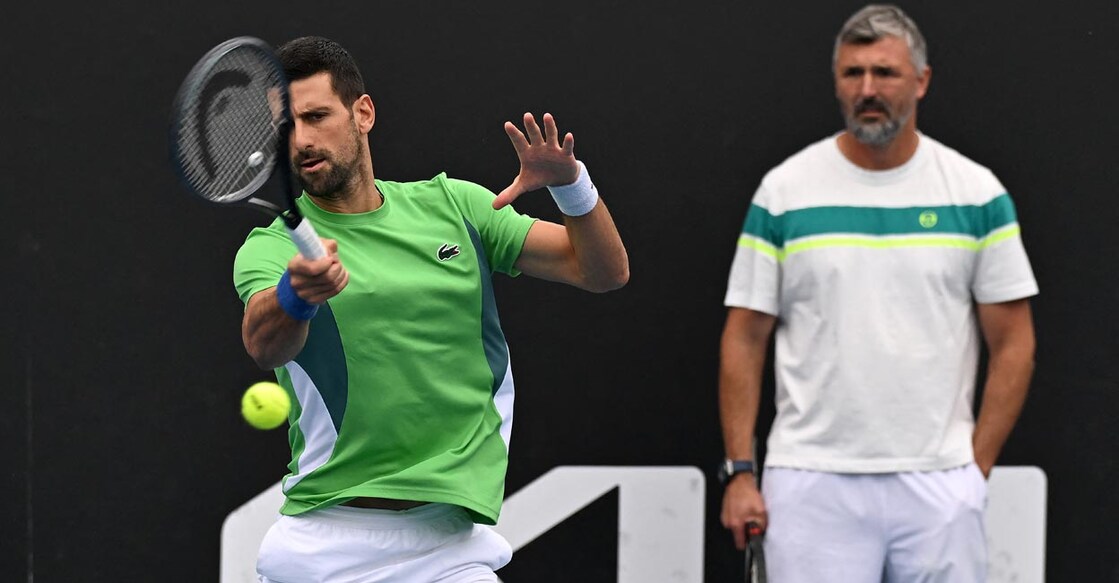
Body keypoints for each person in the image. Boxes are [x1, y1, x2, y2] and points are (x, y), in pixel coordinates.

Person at [233, 36, 628, 582]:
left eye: (317, 115)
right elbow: (264, 341)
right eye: (287, 127)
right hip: (324, 547)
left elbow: (603, 271)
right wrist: (296, 296)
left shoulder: (456, 207)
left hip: (451, 547)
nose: (301, 140)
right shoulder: (271, 247)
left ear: (362, 113)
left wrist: (572, 186)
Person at [717, 5, 1037, 582]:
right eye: (853, 73)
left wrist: (973, 468)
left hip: (940, 481)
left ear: (922, 81)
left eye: (885, 73)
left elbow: (1014, 341)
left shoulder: (976, 193)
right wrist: (741, 470)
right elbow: (744, 336)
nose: (868, 89)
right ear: (837, 81)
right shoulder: (785, 192)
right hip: (810, 479)